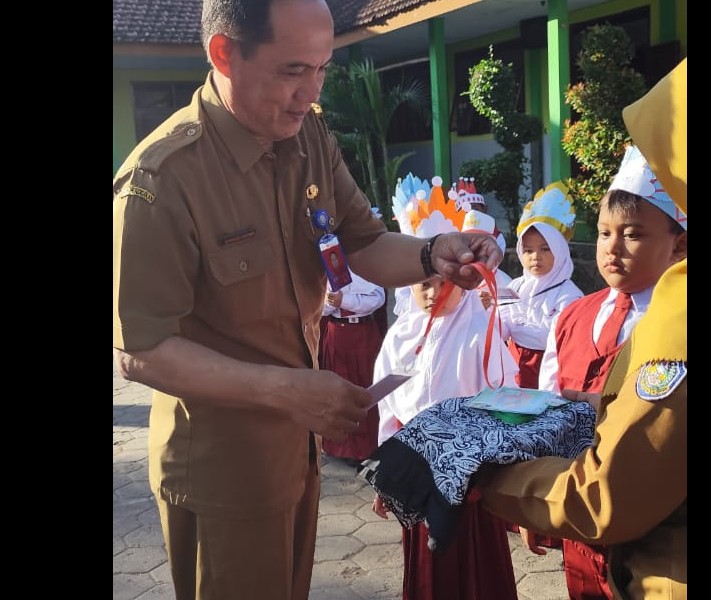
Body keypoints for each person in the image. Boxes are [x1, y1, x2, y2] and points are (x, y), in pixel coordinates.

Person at [111, 2, 502, 599]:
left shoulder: (307, 137)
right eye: (293, 70)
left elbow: (362, 241)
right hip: (223, 470)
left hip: (299, 447)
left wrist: (433, 254)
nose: (311, 92)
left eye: (322, 69)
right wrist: (286, 390)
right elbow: (140, 352)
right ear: (225, 54)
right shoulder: (163, 181)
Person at [476, 57, 688, 600]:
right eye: (605, 233)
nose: (613, 248)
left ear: (679, 243)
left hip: (639, 532)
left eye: (634, 235)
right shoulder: (576, 314)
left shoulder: (671, 321)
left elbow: (621, 486)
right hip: (571, 499)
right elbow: (553, 401)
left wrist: (491, 480)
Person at [372, 273, 520, 600]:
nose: (433, 293)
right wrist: (387, 477)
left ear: (463, 286)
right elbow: (388, 411)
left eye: (444, 284)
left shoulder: (479, 334)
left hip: (468, 474)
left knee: (472, 561)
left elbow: (505, 405)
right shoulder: (401, 337)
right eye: (424, 284)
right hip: (417, 474)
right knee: (428, 566)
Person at [499, 182, 584, 390]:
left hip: (550, 370)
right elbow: (501, 329)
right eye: (528, 250)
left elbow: (556, 339)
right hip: (513, 368)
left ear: (560, 250)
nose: (535, 257)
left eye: (545, 249)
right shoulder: (515, 286)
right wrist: (486, 313)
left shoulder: (570, 295)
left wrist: (518, 329)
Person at [320, 268, 386, 466]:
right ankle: (341, 446)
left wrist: (345, 300)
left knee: (365, 387)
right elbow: (319, 308)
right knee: (339, 388)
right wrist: (330, 302)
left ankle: (367, 446)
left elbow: (377, 299)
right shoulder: (326, 269)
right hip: (336, 334)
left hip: (363, 334)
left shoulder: (366, 265)